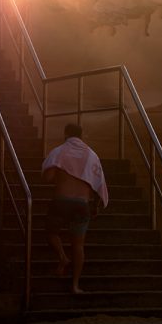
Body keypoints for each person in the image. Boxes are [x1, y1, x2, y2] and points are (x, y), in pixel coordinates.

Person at [41, 123, 108, 294]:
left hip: (61, 202)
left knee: (51, 233)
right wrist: (96, 204)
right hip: (81, 204)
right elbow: (97, 182)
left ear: (65, 135)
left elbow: (47, 178)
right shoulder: (92, 155)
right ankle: (75, 285)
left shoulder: (59, 152)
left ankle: (63, 257)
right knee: (78, 246)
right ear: (82, 135)